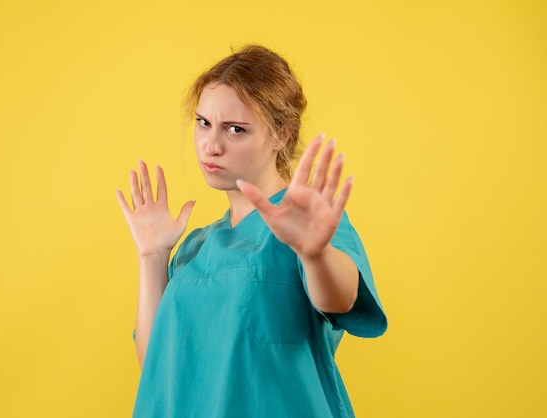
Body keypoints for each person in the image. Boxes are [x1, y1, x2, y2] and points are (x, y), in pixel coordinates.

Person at [115, 44, 387, 418]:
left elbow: (339, 300)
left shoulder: (310, 223)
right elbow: (158, 364)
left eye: (235, 129)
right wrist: (152, 255)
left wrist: (313, 253)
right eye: (203, 123)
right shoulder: (196, 247)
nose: (211, 145)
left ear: (281, 135)